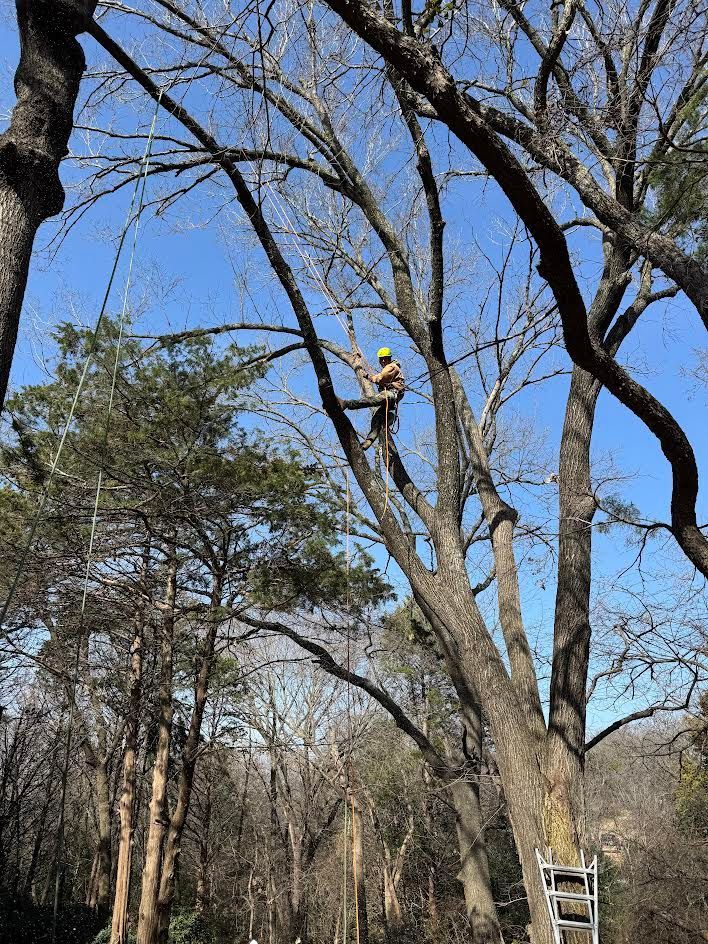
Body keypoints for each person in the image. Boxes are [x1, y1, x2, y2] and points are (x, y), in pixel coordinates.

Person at [339, 347, 405, 449]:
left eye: (385, 358)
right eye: (381, 359)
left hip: (390, 395)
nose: (383, 361)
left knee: (371, 401)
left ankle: (347, 403)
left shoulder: (392, 366)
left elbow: (381, 377)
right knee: (376, 418)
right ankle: (369, 441)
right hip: (390, 400)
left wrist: (369, 377)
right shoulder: (390, 368)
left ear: (390, 358)